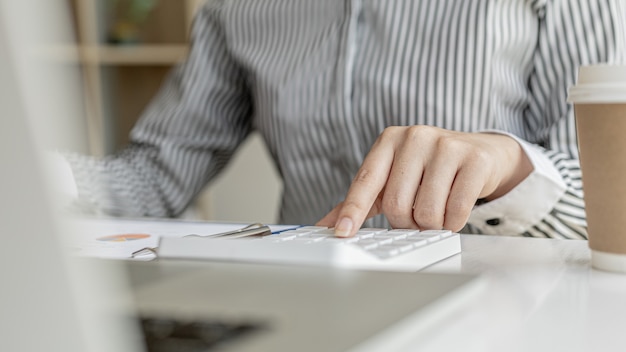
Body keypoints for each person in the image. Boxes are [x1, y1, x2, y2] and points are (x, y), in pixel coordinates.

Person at [64, 0, 624, 238]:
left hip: (511, 327)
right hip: (307, 319)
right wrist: (34, 173)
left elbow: (613, 206)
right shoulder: (235, 8)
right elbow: (155, 179)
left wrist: (509, 169)